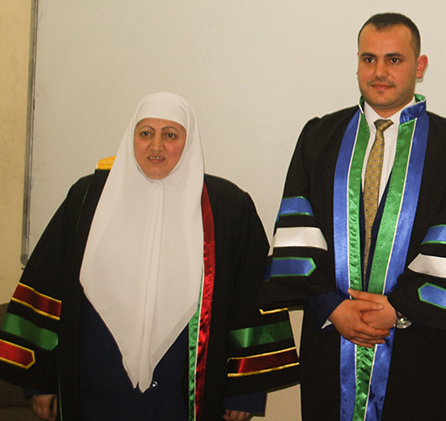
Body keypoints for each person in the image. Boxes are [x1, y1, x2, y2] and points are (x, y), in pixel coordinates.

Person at [0, 93, 298, 421]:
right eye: (146, 133)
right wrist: (40, 380)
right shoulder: (87, 198)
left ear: (189, 141)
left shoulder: (227, 207)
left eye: (170, 135)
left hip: (184, 395)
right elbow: (47, 282)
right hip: (94, 389)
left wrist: (246, 390)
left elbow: (250, 297)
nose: (156, 146)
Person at [257, 12, 446, 421]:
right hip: (331, 336)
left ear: (420, 66)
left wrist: (396, 309)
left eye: (394, 59)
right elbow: (298, 236)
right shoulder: (319, 137)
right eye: (369, 59)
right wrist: (331, 306)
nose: (379, 72)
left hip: (416, 342)